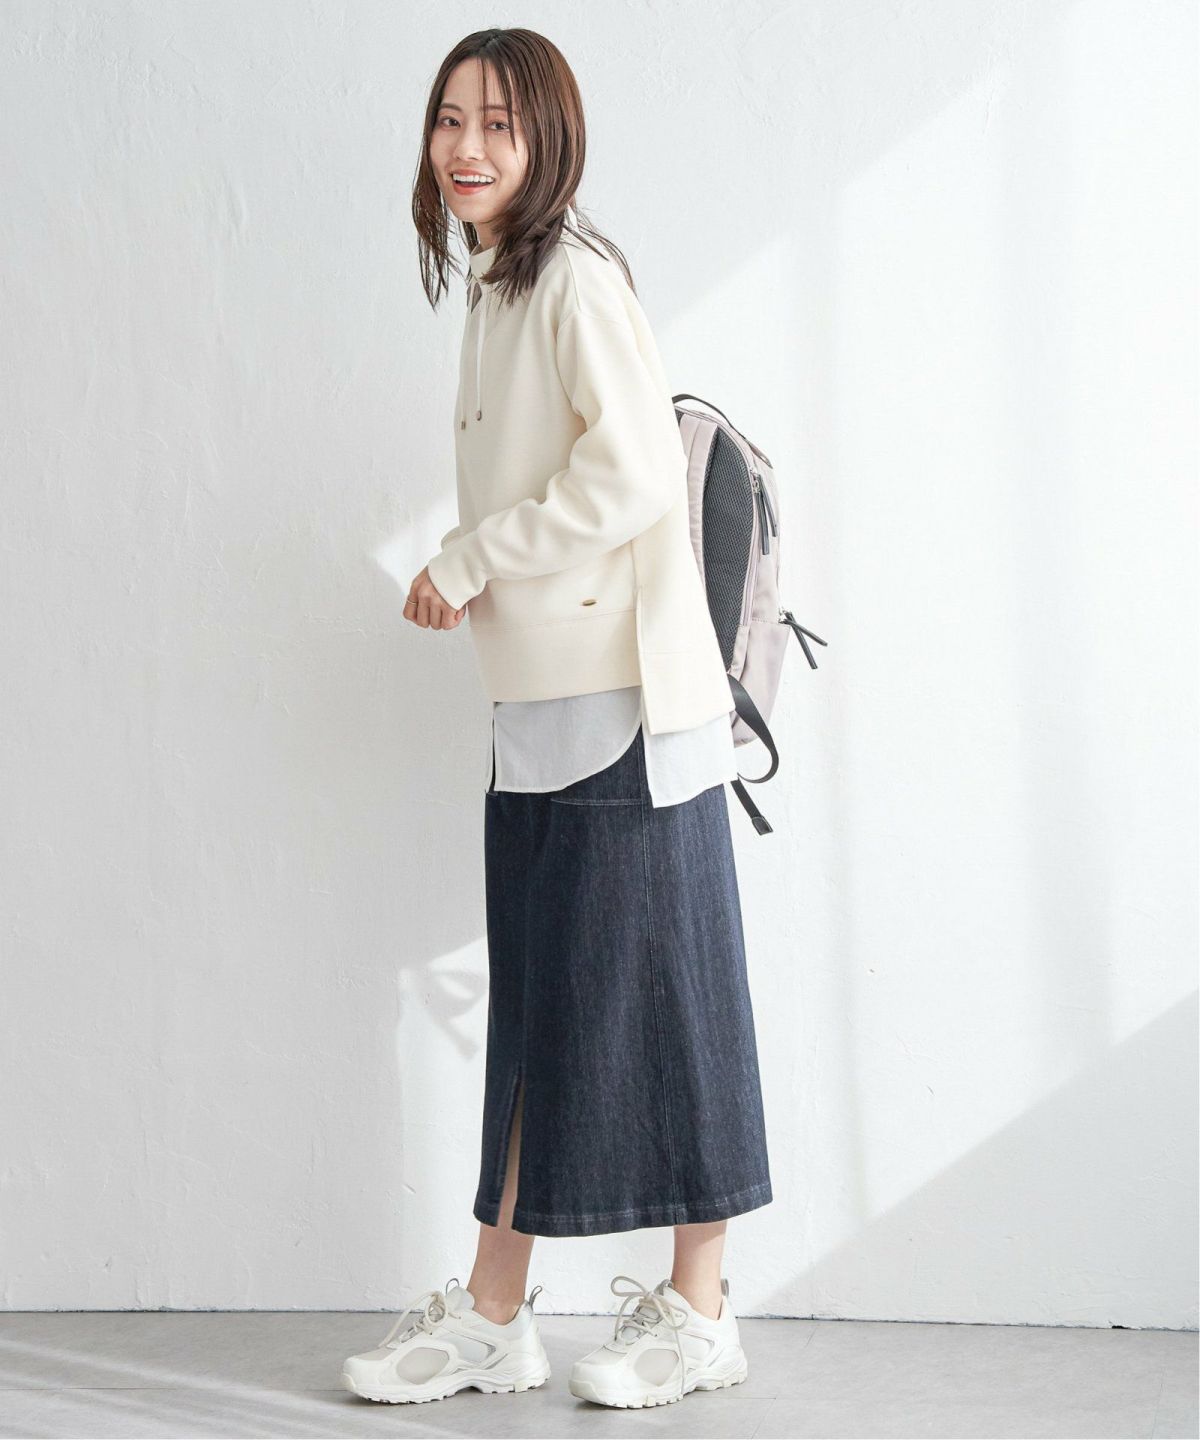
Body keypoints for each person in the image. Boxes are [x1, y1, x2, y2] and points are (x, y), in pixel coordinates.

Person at [342, 27, 773, 1411]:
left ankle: (701, 1312)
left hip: (631, 708)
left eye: (499, 125)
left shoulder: (575, 278)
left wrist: (471, 558)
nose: (466, 147)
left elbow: (635, 471)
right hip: (547, 704)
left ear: (549, 144)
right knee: (538, 1008)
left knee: (672, 1001)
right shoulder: (497, 286)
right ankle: (494, 1315)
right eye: (449, 120)